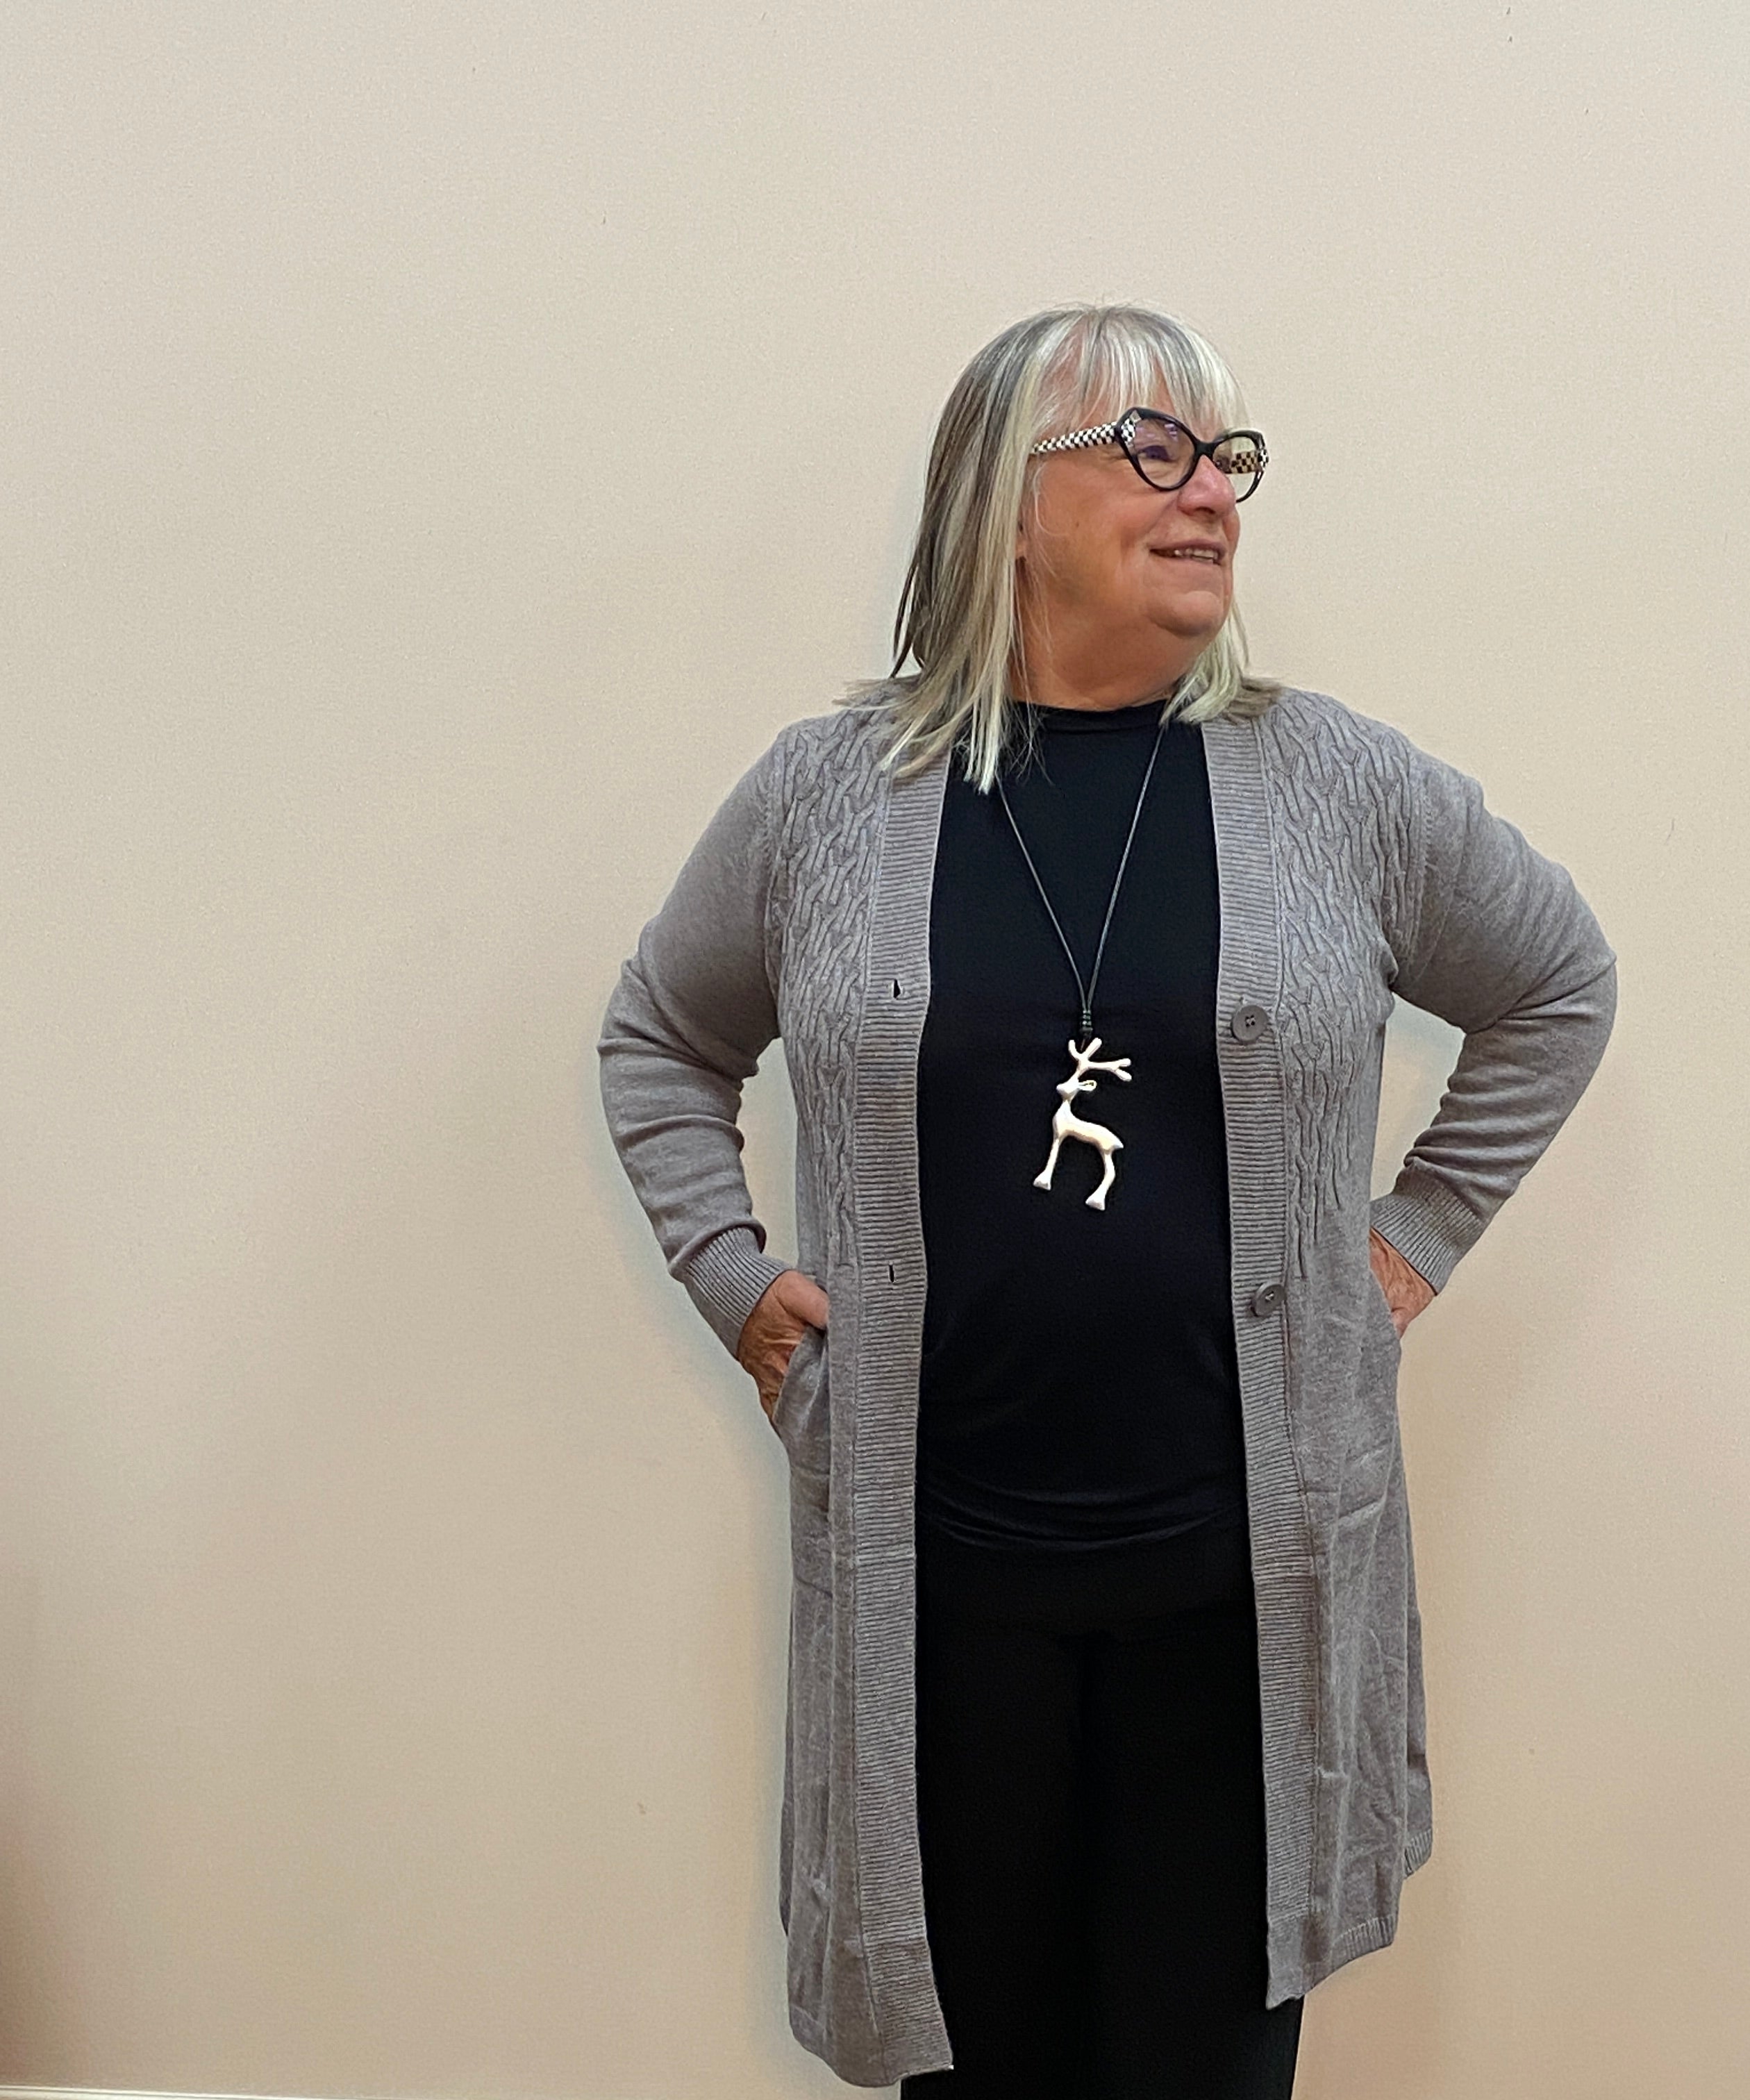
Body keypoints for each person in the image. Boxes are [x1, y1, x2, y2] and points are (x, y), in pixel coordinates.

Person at [595, 302, 1616, 2096]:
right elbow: (663, 1036)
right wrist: (737, 1281)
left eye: (1228, 457)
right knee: (973, 2069)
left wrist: (1410, 1245)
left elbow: (1557, 981)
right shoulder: (836, 795)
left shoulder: (1336, 782)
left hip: (1241, 1604)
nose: (1210, 491)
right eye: (1155, 448)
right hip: (942, 1599)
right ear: (1005, 501)